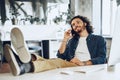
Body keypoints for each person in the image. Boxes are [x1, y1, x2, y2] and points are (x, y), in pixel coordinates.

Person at [4, 15, 106, 76]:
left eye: (78, 22)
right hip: (71, 63)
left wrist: (83, 63)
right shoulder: (73, 41)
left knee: (56, 62)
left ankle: (25, 65)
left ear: (85, 24)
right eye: (73, 25)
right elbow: (61, 56)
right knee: (52, 60)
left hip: (85, 67)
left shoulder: (98, 39)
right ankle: (26, 59)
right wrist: (65, 39)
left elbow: (102, 58)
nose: (75, 25)